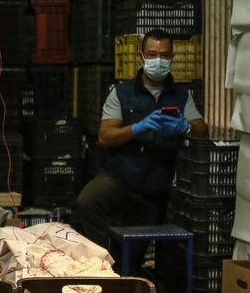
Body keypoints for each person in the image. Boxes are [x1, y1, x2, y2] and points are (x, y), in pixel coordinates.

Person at [74, 28, 208, 255]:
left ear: (173, 58)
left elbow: (202, 131)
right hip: (120, 175)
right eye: (152, 54)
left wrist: (186, 127)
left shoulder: (182, 96)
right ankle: (103, 257)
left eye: (164, 55)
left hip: (157, 184)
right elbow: (105, 136)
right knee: (87, 202)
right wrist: (136, 128)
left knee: (133, 253)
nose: (159, 61)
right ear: (141, 56)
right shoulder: (121, 92)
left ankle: (123, 264)